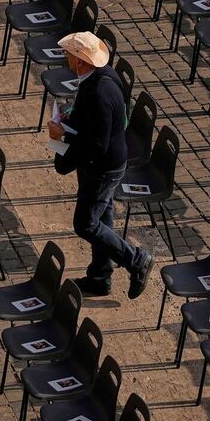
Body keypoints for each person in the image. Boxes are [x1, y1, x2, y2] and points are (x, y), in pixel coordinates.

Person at [47, 31, 154, 299]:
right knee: (103, 216)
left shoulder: (98, 93)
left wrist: (63, 135)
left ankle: (136, 260)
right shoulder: (101, 76)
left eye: (68, 55)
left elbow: (96, 145)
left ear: (81, 62)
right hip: (106, 162)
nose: (65, 58)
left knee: (86, 224)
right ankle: (100, 277)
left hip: (102, 167)